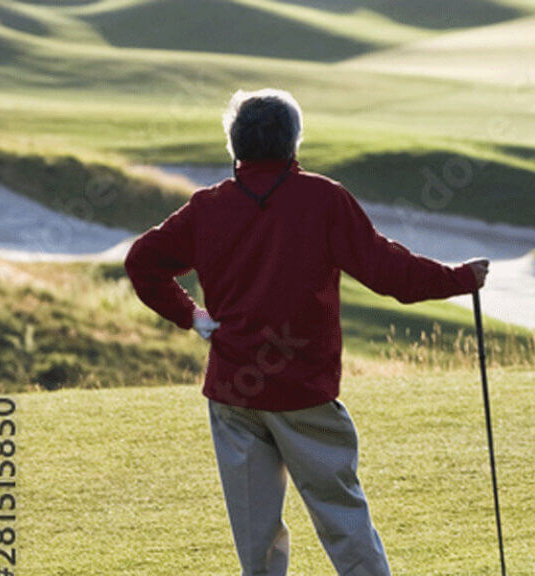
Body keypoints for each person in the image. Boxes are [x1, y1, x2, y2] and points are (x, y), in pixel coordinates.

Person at [126, 88, 491, 576]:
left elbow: (143, 261)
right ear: (294, 143)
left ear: (234, 146)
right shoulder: (323, 198)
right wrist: (460, 279)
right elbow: (388, 272)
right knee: (342, 518)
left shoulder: (208, 206)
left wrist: (193, 317)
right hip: (304, 392)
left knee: (256, 540)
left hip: (234, 394)